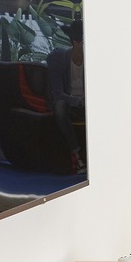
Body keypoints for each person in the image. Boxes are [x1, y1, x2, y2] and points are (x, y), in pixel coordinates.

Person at [45, 19, 86, 174]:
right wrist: (78, 101)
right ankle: (78, 156)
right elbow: (58, 93)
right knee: (60, 106)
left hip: (88, 104)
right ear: (75, 42)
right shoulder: (60, 59)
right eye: (82, 42)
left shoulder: (93, 60)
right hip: (69, 104)